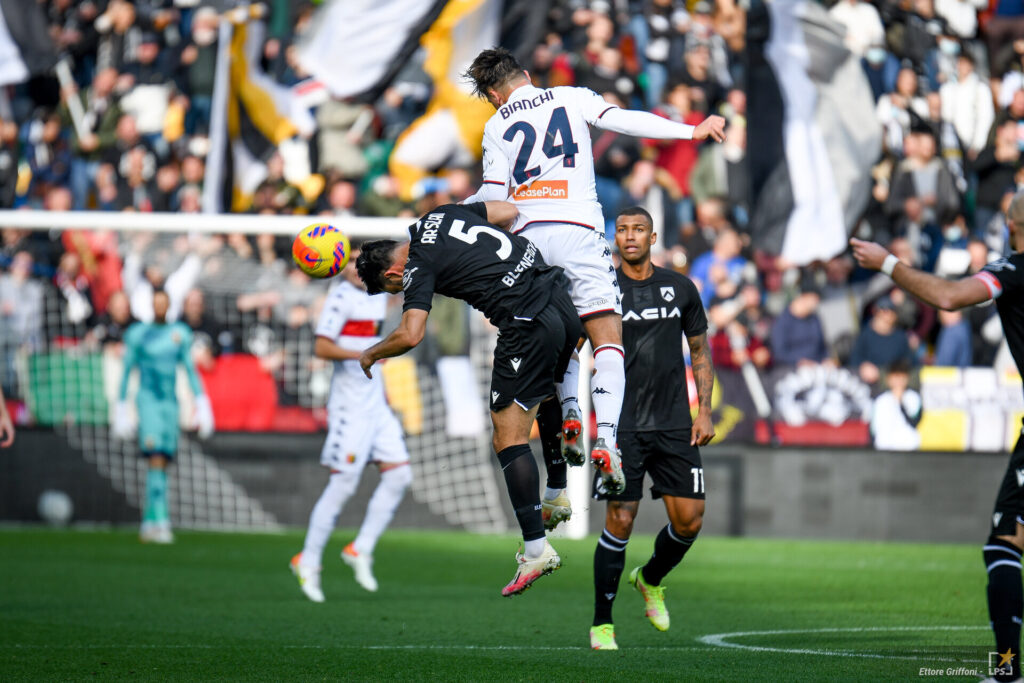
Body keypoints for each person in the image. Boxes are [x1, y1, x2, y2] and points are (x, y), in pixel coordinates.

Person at [461, 47, 725, 499]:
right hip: (580, 230)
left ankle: (568, 410)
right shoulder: (572, 97)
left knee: (562, 335)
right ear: (525, 74)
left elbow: (492, 198)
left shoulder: (497, 124)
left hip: (530, 242)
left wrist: (449, 219)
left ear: (493, 94)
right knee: (607, 338)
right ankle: (605, 438)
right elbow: (627, 120)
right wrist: (691, 130)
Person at [355, 200, 581, 597]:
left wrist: (371, 353)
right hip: (560, 300)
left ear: (394, 272)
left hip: (526, 321)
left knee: (507, 436)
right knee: (543, 396)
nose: (399, 289)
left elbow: (411, 334)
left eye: (393, 287)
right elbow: (507, 210)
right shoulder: (439, 215)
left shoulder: (417, 264)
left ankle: (535, 550)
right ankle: (555, 492)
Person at [851, 189, 1024, 683]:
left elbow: (949, 297)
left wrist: (889, 265)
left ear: (1012, 226)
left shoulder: (1013, 270)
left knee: (1003, 545)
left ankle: (1009, 669)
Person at [590, 207, 715, 650]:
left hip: (676, 423)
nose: (629, 237)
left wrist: (704, 411)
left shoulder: (680, 287)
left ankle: (650, 578)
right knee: (620, 519)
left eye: (637, 230)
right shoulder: (600, 288)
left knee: (690, 522)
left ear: (652, 236)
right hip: (622, 425)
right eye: (622, 230)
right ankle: (602, 624)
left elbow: (699, 351)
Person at [289, 254, 412, 602]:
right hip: (350, 407)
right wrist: (364, 353)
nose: (357, 269)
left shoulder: (374, 295)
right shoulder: (339, 297)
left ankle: (361, 548)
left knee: (399, 476)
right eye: (351, 263)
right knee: (343, 484)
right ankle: (308, 560)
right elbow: (321, 346)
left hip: (376, 401)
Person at [113, 290, 214, 544]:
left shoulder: (179, 334)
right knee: (155, 458)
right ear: (151, 305)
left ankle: (150, 521)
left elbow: (190, 369)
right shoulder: (138, 334)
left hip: (171, 404)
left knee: (164, 461)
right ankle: (161, 519)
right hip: (149, 402)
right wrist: (121, 405)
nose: (159, 307)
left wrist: (202, 402)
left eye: (163, 303)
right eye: (155, 303)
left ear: (168, 305)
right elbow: (126, 370)